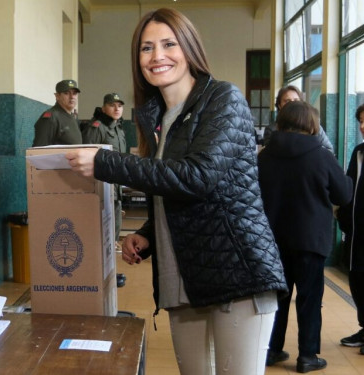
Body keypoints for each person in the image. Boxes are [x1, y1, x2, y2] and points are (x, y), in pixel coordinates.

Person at [65, 8, 287, 374]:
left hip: (238, 277)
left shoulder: (223, 99)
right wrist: (149, 234)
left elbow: (199, 176)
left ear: (190, 48)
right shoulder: (159, 119)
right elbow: (176, 188)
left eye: (169, 44)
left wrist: (106, 163)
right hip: (184, 281)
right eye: (146, 48)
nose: (157, 56)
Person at [259, 101, 351, 372]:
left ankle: (272, 350)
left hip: (272, 241)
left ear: (281, 122)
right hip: (311, 240)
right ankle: (308, 356)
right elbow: (344, 195)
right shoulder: (322, 156)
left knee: (276, 299)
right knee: (310, 299)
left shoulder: (264, 156)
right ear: (312, 124)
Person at [81, 92, 129, 288]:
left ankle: (110, 272)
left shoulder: (118, 129)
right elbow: (88, 156)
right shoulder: (97, 127)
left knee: (113, 233)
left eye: (120, 105)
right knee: (100, 231)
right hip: (102, 186)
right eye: (112, 105)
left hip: (115, 187)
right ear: (103, 108)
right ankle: (94, 273)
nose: (117, 108)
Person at [338, 103, 364, 353]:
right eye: (361, 121)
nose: (362, 126)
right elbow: (348, 189)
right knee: (357, 280)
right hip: (357, 233)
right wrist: (344, 220)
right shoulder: (358, 152)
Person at [262, 85, 334, 152]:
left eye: (296, 100)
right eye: (287, 101)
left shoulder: (313, 125)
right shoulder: (272, 129)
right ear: (279, 105)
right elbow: (271, 155)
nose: (293, 104)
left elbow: (329, 150)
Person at [32, 79, 82, 146]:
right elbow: (39, 150)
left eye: (74, 93)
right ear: (57, 96)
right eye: (66, 93)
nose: (72, 97)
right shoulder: (51, 117)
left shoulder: (72, 117)